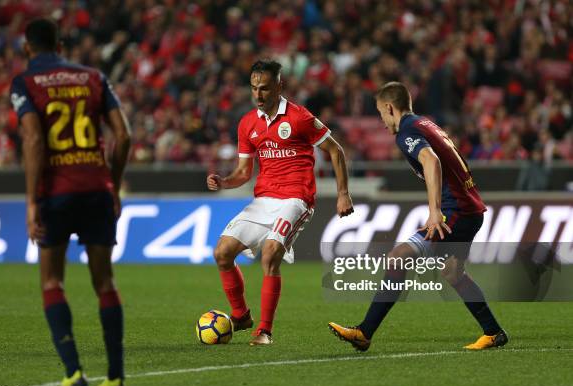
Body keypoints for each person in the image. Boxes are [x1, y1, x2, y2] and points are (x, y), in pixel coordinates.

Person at [329, 82, 507, 351]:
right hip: (469, 208)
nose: (381, 120)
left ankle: (364, 332)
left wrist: (435, 211)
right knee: (453, 272)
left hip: (456, 211)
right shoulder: (424, 123)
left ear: (390, 107)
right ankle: (493, 332)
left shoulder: (407, 131)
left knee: (398, 257)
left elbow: (431, 161)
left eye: (380, 113)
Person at [10, 18, 130, 386]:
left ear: (27, 48)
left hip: (56, 194)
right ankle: (114, 378)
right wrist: (112, 181)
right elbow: (123, 135)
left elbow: (32, 137)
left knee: (51, 283)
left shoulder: (25, 82)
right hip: (96, 188)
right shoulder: (93, 76)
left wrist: (31, 201)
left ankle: (73, 372)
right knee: (105, 283)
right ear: (59, 45)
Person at [207, 60, 354, 346]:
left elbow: (335, 151)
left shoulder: (299, 117)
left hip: (296, 199)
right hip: (264, 200)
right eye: (253, 88)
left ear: (278, 86)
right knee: (222, 252)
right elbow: (243, 173)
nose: (258, 95)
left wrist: (343, 193)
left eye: (264, 88)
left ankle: (264, 331)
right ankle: (241, 315)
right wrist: (224, 182)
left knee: (270, 253)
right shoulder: (248, 123)